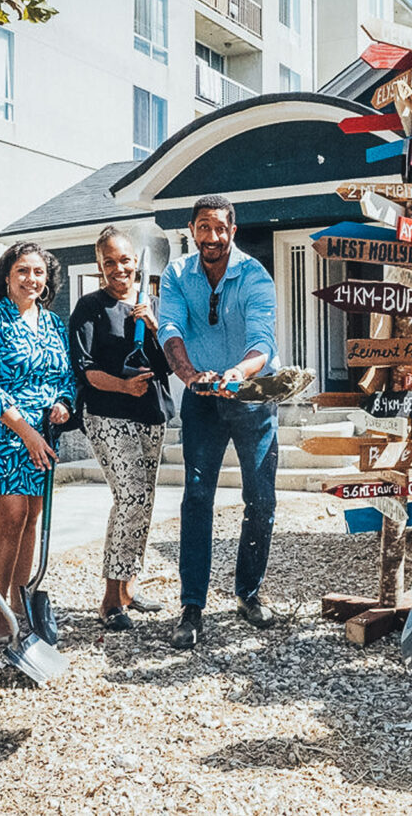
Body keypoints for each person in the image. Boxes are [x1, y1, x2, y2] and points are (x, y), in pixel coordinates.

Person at [158, 195, 280, 649]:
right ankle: (192, 606)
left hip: (251, 395)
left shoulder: (255, 275)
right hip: (201, 397)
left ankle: (248, 593)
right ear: (192, 229)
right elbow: (168, 328)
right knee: (196, 497)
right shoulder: (176, 274)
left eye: (220, 228)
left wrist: (236, 374)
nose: (212, 237)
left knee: (261, 499)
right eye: (203, 227)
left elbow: (262, 342)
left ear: (233, 230)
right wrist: (189, 377)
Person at [0, 242, 76, 642]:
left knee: (32, 518)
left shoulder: (53, 324)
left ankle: (20, 598)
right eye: (23, 271)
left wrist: (64, 404)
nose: (31, 279)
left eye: (39, 273)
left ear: (47, 281)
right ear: (8, 277)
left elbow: (66, 377)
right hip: (7, 435)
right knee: (9, 520)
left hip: (44, 439)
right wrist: (24, 431)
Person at [69, 226, 175, 631]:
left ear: (137, 262)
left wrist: (152, 325)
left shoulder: (154, 306)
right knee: (130, 497)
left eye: (125, 260)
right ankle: (110, 600)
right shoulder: (89, 308)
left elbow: (172, 364)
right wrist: (124, 386)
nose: (119, 268)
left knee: (143, 503)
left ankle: (129, 587)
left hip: (151, 414)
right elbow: (87, 371)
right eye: (109, 262)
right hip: (108, 413)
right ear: (99, 266)